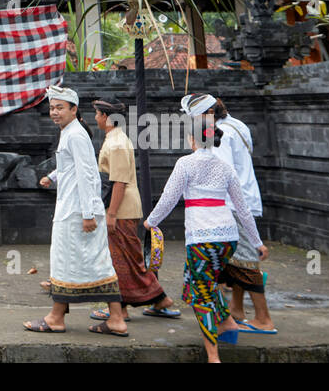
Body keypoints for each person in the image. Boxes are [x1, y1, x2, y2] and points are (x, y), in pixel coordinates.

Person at [145, 93, 267, 364]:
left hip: (202, 239)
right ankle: (226, 322)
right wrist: (258, 242)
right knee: (196, 282)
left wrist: (151, 221)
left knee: (200, 295)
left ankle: (213, 356)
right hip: (227, 240)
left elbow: (168, 198)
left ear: (192, 138)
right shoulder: (224, 167)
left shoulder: (185, 163)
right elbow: (243, 209)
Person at [24, 84, 126, 337]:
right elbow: (73, 167)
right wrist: (53, 176)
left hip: (77, 212)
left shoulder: (76, 134)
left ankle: (56, 317)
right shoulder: (70, 132)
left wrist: (90, 213)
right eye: (52, 108)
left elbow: (88, 174)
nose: (55, 112)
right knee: (94, 263)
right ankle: (115, 318)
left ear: (73, 109)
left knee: (69, 263)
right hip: (74, 208)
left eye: (60, 108)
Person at [89, 98, 180, 323]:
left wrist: (111, 214)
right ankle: (137, 304)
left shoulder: (117, 143)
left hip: (121, 209)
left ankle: (147, 302)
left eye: (97, 114)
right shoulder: (113, 139)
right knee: (124, 259)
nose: (95, 118)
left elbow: (118, 181)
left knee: (124, 260)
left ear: (106, 117)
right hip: (120, 207)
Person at [205, 94, 276, 334]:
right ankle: (236, 308)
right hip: (244, 198)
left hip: (233, 204)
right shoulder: (238, 125)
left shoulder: (222, 135)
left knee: (246, 261)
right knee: (237, 260)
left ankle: (263, 318)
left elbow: (223, 172)